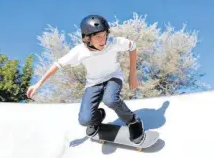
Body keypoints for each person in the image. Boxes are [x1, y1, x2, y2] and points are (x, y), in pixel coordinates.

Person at [26, 14, 145, 144]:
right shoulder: (80, 51)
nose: (103, 40)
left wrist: (132, 74)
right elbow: (57, 65)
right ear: (87, 38)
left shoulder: (114, 42)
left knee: (110, 99)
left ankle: (133, 121)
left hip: (113, 78)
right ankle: (97, 116)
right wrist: (38, 84)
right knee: (84, 120)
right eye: (98, 37)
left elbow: (132, 47)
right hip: (93, 84)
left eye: (105, 35)